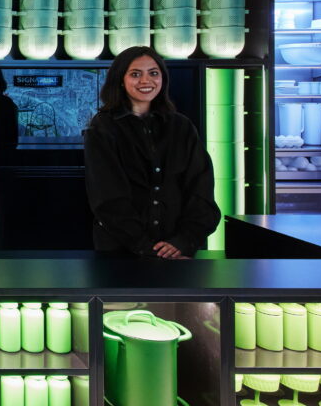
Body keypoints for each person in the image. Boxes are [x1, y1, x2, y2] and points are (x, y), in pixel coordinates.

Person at [83, 46, 220, 259]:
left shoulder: (182, 127)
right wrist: (148, 248)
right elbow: (108, 200)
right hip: (123, 253)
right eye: (136, 74)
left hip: (179, 252)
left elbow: (201, 190)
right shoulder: (102, 129)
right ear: (120, 79)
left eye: (153, 73)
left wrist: (184, 241)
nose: (146, 81)